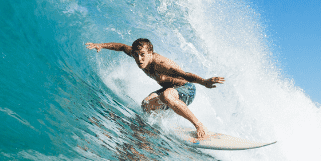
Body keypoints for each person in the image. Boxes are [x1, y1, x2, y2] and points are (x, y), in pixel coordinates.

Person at [85, 38, 225, 138]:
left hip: (186, 89)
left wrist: (204, 81)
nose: (139, 59)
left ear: (151, 53)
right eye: (136, 55)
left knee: (166, 96)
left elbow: (185, 75)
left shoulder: (161, 64)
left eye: (143, 55)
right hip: (169, 88)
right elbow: (122, 47)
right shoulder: (137, 54)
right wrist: (101, 45)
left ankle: (199, 125)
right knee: (146, 104)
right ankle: (160, 127)